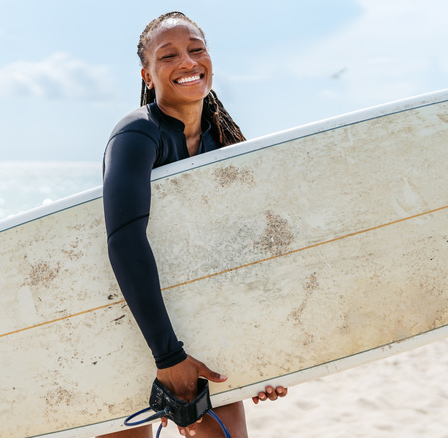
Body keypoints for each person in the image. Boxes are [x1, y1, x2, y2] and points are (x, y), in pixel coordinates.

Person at [101, 11, 287, 438]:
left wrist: (269, 357)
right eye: (168, 55)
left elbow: (247, 253)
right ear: (147, 75)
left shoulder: (222, 140)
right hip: (125, 328)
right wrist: (168, 357)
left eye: (196, 49)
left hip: (198, 328)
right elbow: (125, 239)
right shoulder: (136, 135)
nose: (187, 61)